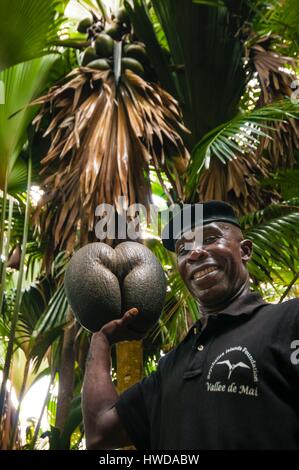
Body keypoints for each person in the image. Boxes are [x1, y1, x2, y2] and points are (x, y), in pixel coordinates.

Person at [82, 200, 299, 450]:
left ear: (245, 250)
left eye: (209, 238)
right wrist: (101, 340)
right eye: (184, 250)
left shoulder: (289, 320)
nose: (195, 253)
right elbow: (100, 432)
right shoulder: (171, 367)